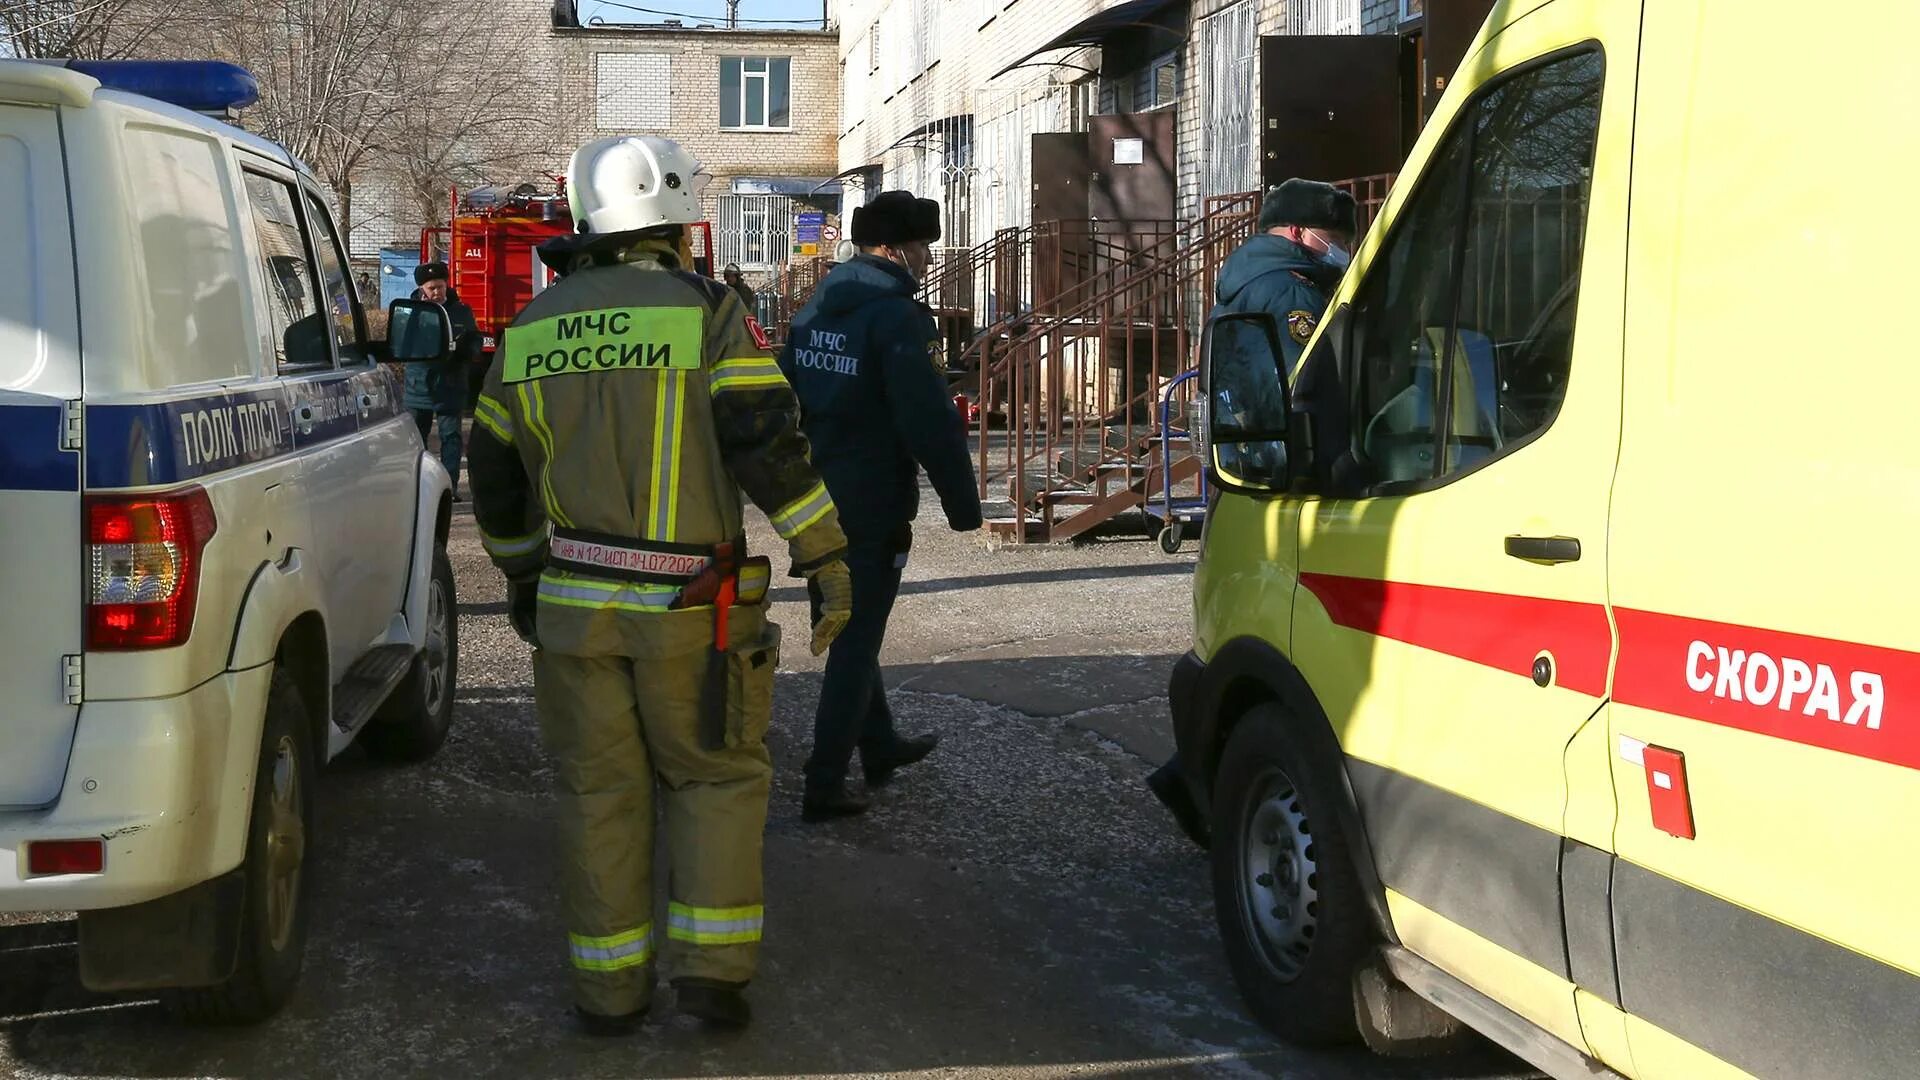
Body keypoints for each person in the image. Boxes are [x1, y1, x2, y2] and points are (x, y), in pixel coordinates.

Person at [467, 135, 854, 1036]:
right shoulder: (708, 311)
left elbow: (493, 475)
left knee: (599, 794)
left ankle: (608, 993)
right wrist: (825, 556)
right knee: (713, 778)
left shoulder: (529, 328)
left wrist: (522, 575)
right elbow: (766, 441)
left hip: (574, 610)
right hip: (694, 608)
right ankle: (712, 974)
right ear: (677, 223)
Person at [778, 190, 983, 822]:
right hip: (870, 501)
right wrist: (963, 504)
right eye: (923, 246)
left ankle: (879, 743)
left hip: (813, 501)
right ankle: (824, 780)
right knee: (856, 635)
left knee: (846, 623)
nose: (928, 258)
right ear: (896, 250)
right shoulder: (896, 318)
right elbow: (928, 419)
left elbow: (786, 393)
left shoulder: (816, 306)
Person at [1211, 178, 1356, 375]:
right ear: (1298, 232)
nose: (1343, 249)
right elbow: (1307, 380)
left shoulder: (1246, 276)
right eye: (1335, 239)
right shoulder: (1293, 292)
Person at [405, 262, 482, 491]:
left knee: (451, 438)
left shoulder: (460, 311)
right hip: (418, 387)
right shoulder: (410, 311)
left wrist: (469, 350)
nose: (437, 292)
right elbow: (404, 342)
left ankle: (449, 487)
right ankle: (419, 486)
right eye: (432, 288)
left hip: (450, 385)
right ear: (421, 289)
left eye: (440, 286)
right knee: (417, 439)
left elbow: (475, 339)